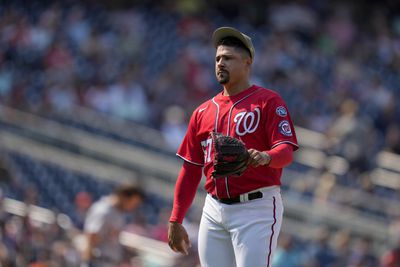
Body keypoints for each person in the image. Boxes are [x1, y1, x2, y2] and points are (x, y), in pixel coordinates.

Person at [168, 27, 299, 267]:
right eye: (217, 58)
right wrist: (176, 219)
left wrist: (266, 157)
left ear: (247, 62)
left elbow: (286, 152)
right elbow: (190, 169)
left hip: (256, 208)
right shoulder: (202, 112)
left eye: (228, 58)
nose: (220, 63)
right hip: (214, 208)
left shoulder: (267, 102)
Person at [82, 184, 145, 267]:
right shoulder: (104, 210)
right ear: (124, 197)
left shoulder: (119, 213)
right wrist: (88, 262)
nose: (133, 207)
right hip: (98, 261)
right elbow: (92, 237)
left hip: (108, 262)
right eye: (134, 203)